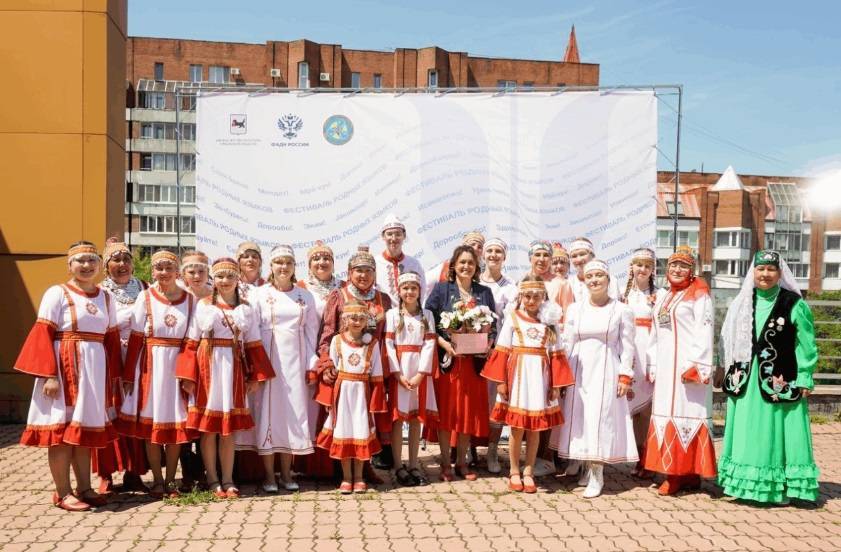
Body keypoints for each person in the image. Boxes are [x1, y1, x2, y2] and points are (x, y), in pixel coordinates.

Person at [15, 241, 122, 510]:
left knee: (83, 431)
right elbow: (43, 333)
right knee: (61, 433)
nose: (86, 266)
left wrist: (113, 377)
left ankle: (84, 487)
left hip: (94, 370)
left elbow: (110, 338)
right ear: (69, 265)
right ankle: (63, 492)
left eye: (91, 260)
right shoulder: (57, 293)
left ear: (99, 264)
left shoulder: (106, 297)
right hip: (64, 370)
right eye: (80, 260)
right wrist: (49, 375)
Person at [718, 250, 819, 504]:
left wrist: (805, 375)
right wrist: (723, 368)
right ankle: (744, 485)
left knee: (773, 434)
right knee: (747, 432)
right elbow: (728, 339)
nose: (765, 274)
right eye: (760, 269)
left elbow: (806, 344)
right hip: (746, 379)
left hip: (779, 380)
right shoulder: (742, 302)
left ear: (779, 273)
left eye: (770, 269)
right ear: (753, 272)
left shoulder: (793, 303)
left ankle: (776, 488)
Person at [176, 257, 275, 499]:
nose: (225, 281)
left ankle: (228, 478)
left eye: (230, 276)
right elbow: (191, 341)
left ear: (237, 278)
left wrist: (256, 376)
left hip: (234, 369)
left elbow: (253, 344)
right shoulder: (203, 305)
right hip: (208, 367)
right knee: (209, 430)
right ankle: (212, 479)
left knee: (229, 430)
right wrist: (188, 375)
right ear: (214, 279)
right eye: (220, 276)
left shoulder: (247, 308)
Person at [554, 259, 638, 498]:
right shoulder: (575, 309)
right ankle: (584, 466)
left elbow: (628, 347)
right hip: (578, 368)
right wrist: (562, 375)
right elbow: (567, 342)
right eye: (590, 277)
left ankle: (597, 473)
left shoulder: (621, 310)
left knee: (599, 418)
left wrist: (625, 376)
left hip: (605, 369)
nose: (594, 280)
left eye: (599, 276)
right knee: (579, 418)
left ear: (608, 279)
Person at [482, 276, 573, 493]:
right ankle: (514, 470)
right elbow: (502, 351)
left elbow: (557, 354)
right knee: (517, 427)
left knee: (536, 428)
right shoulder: (513, 318)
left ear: (543, 297)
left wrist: (556, 384)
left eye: (536, 296)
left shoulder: (549, 322)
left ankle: (529, 471)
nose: (531, 300)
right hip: (517, 378)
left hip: (540, 379)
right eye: (527, 295)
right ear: (521, 296)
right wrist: (502, 382)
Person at [115, 250, 194, 499]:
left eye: (168, 267)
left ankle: (171, 480)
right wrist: (129, 376)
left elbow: (192, 341)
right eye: (159, 268)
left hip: (176, 366)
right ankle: (157, 481)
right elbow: (137, 337)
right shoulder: (145, 297)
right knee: (151, 427)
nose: (164, 272)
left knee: (174, 426)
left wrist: (189, 375)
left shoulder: (189, 299)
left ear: (177, 271)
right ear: (152, 272)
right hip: (149, 366)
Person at [243, 245, 320, 493]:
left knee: (292, 417)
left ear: (294, 266)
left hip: (295, 364)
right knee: (267, 414)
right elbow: (252, 332)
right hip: (268, 362)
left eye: (288, 262)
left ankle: (287, 473)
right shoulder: (257, 295)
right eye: (278, 263)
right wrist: (255, 366)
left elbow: (311, 336)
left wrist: (311, 365)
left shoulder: (305, 297)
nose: (283, 267)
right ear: (271, 266)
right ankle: (269, 476)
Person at [644, 246, 717, 495]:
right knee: (666, 413)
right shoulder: (664, 296)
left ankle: (680, 474)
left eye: (683, 266)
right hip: (666, 368)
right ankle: (677, 471)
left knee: (687, 414)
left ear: (692, 270)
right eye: (673, 264)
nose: (677, 269)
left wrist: (699, 365)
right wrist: (652, 362)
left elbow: (705, 330)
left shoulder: (699, 294)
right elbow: (655, 332)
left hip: (688, 369)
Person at [317, 245, 393, 475]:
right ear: (349, 272)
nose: (363, 275)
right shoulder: (338, 296)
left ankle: (364, 470)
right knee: (343, 418)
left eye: (368, 271)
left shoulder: (384, 299)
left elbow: (390, 334)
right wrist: (327, 363)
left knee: (367, 419)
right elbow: (327, 334)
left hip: (373, 367)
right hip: (345, 368)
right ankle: (341, 471)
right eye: (358, 270)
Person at [425, 244, 496, 481]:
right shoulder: (441, 290)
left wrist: (485, 345)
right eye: (462, 262)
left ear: (477, 267)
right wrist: (445, 345)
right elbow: (428, 322)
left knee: (468, 413)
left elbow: (492, 326)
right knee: (448, 413)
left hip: (473, 365)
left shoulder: (484, 293)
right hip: (450, 363)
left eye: (471, 263)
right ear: (454, 265)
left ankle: (462, 462)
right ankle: (446, 462)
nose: (466, 266)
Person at [92, 238, 149, 494]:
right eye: (116, 259)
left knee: (135, 414)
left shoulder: (146, 288)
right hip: (110, 360)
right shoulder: (99, 293)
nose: (123, 264)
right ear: (106, 266)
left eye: (126, 259)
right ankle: (105, 474)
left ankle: (134, 472)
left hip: (140, 360)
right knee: (109, 415)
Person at [316, 300, 387, 494]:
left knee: (361, 432)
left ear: (366, 321)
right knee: (344, 432)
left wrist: (376, 400)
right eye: (352, 317)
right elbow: (330, 374)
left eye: (361, 318)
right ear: (345, 319)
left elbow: (377, 374)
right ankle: (346, 478)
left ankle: (359, 477)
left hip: (362, 395)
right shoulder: (337, 341)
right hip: (342, 395)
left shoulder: (372, 343)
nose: (356, 321)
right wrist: (328, 400)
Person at [384, 272, 437, 486]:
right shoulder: (392, 315)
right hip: (400, 372)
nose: (409, 292)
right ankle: (398, 465)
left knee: (416, 419)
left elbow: (429, 344)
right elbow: (388, 345)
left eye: (413, 288)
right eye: (405, 288)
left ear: (420, 290)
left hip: (418, 373)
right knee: (398, 419)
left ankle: (414, 463)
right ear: (399, 290)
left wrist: (420, 374)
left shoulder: (427, 315)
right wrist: (397, 373)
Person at [620, 247, 662, 478]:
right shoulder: (621, 294)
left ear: (652, 269)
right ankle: (634, 454)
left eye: (647, 265)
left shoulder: (660, 295)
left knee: (646, 411)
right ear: (631, 267)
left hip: (649, 354)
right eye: (639, 265)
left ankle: (646, 458)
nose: (643, 269)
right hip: (628, 354)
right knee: (629, 410)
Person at [479, 238, 518, 474]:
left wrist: (498, 345)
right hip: (473, 351)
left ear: (504, 257)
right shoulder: (473, 281)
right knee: (474, 401)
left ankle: (492, 449)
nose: (493, 255)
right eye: (489, 251)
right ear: (483, 255)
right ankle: (470, 449)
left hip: (498, 352)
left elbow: (512, 320)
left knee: (496, 401)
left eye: (498, 252)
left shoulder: (510, 286)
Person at [177, 250, 210, 490]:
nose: (196, 275)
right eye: (191, 271)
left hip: (210, 363)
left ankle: (208, 471)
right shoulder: (177, 295)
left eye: (201, 271)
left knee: (206, 417)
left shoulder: (214, 294)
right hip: (181, 360)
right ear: (183, 274)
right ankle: (189, 473)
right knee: (185, 418)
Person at [376, 214, 426, 304]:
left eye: (398, 234)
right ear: (383, 237)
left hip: (409, 314)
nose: (394, 238)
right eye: (389, 234)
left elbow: (422, 289)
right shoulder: (375, 263)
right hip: (383, 315)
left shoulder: (414, 263)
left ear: (404, 236)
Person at [425, 231, 485, 297]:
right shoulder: (446, 267)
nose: (476, 248)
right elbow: (424, 284)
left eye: (480, 247)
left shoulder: (484, 273)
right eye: (472, 244)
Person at [567, 237, 621, 302]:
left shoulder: (610, 280)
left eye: (582, 254)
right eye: (574, 256)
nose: (579, 259)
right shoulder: (569, 283)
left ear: (592, 255)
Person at [297, 241, 342, 317]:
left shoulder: (344, 287)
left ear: (333, 264)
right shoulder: (299, 287)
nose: (321, 262)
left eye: (326, 258)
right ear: (309, 266)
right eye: (316, 259)